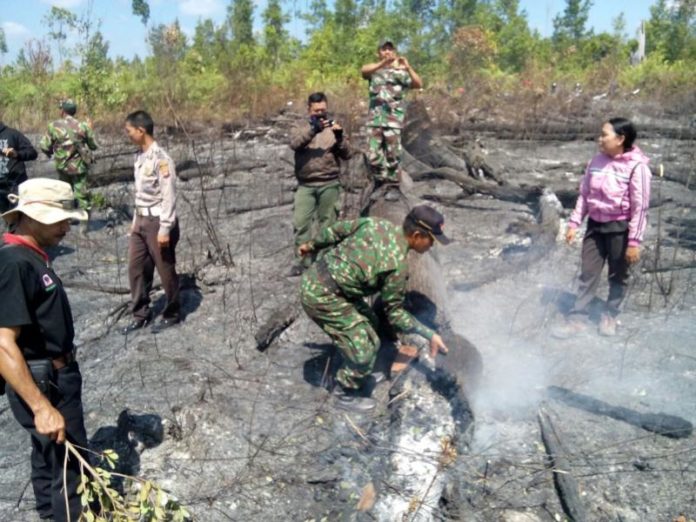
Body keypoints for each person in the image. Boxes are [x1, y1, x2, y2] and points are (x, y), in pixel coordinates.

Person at [299, 205, 450, 412]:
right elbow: (395, 315)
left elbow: (335, 231)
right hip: (321, 297)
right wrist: (429, 334)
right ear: (417, 235)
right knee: (364, 350)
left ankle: (363, 369)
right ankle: (345, 392)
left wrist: (311, 245)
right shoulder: (397, 266)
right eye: (431, 240)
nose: (431, 245)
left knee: (372, 323)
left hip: (329, 285)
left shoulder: (376, 224)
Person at [0, 178, 90, 522]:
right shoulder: (14, 264)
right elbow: (2, 341)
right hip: (45, 382)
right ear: (30, 217)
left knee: (48, 459)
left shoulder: (30, 257)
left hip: (52, 376)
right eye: (60, 219)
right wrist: (41, 407)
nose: (67, 226)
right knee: (70, 471)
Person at [554, 117, 651, 338]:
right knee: (588, 273)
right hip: (595, 227)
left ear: (620, 139)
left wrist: (634, 241)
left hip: (620, 229)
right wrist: (574, 223)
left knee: (618, 276)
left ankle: (610, 315)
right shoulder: (596, 161)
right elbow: (585, 195)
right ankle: (577, 318)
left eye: (604, 135)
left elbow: (640, 207)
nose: (600, 139)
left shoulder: (637, 167)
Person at [122, 110, 181, 334]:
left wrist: (165, 228)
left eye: (129, 131)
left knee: (165, 270)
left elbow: (168, 195)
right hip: (141, 221)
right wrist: (135, 221)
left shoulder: (161, 159)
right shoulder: (139, 157)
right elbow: (139, 194)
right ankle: (141, 314)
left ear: (141, 130)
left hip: (158, 222)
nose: (127, 134)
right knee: (136, 269)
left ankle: (173, 312)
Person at [288, 92, 352, 276]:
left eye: (323, 110)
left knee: (328, 224)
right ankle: (302, 260)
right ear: (309, 110)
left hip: (329, 183)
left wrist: (339, 138)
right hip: (305, 185)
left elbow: (347, 155)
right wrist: (312, 130)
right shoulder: (299, 125)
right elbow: (294, 143)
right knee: (301, 224)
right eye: (317, 111)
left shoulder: (334, 127)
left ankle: (324, 260)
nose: (321, 114)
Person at [361, 40, 422, 200]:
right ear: (379, 52)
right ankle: (379, 183)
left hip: (393, 120)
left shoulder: (400, 73)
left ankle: (393, 185)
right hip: (374, 120)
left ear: (394, 51)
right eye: (384, 49)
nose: (387, 52)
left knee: (393, 154)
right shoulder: (374, 70)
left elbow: (418, 84)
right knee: (373, 154)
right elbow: (363, 71)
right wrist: (383, 63)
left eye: (390, 49)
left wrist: (407, 67)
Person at [39, 99, 98, 232]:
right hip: (79, 167)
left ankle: (67, 221)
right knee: (82, 194)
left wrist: (51, 152)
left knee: (65, 192)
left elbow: (44, 145)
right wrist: (90, 129)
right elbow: (93, 146)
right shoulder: (83, 126)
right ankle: (84, 225)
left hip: (62, 167)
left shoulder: (53, 126)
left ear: (63, 111)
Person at [0, 120, 38, 216]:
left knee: (19, 218)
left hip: (15, 185)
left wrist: (17, 154)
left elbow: (32, 153)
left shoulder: (12, 134)